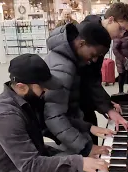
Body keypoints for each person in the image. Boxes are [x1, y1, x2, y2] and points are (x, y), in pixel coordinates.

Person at [0, 54, 109, 172]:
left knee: (91, 168)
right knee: (84, 167)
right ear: (21, 87)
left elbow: (50, 121)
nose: (46, 90)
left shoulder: (29, 100)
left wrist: (88, 128)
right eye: (42, 86)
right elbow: (30, 165)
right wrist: (80, 162)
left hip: (38, 156)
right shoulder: (5, 117)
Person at [44, 23, 114, 157]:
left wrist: (89, 127)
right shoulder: (62, 67)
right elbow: (54, 116)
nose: (94, 60)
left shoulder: (71, 58)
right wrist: (85, 148)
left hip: (73, 126)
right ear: (81, 44)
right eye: (94, 54)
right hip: (66, 132)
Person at [78, 2, 128, 144]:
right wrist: (108, 109)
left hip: (83, 102)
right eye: (121, 29)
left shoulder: (101, 36)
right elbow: (88, 80)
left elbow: (94, 79)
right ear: (110, 20)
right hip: (76, 106)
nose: (121, 35)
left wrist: (107, 104)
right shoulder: (90, 35)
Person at [113, 29, 128, 93]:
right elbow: (115, 49)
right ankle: (121, 92)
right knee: (122, 75)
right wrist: (123, 59)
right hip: (122, 60)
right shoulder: (118, 34)